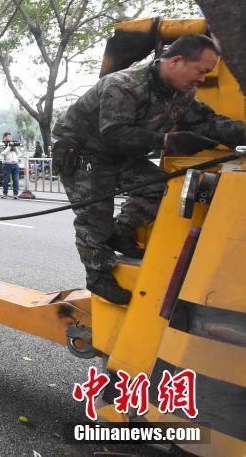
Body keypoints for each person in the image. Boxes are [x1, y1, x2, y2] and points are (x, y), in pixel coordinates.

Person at [52, 34, 246, 304]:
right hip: (84, 151)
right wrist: (168, 141)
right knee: (95, 216)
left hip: (120, 152)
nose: (202, 78)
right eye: (201, 71)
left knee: (158, 186)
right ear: (176, 61)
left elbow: (206, 122)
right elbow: (115, 133)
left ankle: (123, 231)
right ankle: (97, 275)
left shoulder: (182, 92)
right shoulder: (124, 85)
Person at [0, 132, 21, 199]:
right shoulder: (1, 144)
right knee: (6, 180)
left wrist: (14, 147)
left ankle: (15, 194)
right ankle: (5, 194)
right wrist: (9, 146)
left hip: (15, 164)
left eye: (11, 137)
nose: (11, 138)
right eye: (9, 136)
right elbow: (3, 153)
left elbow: (19, 153)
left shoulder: (13, 144)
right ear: (5, 137)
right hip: (6, 164)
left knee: (16, 180)